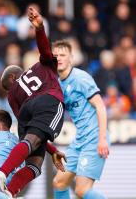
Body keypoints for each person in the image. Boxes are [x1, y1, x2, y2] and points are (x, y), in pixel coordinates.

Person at [0, 6, 65, 198]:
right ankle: (2, 173)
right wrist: (39, 28)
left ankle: (10, 191)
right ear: (15, 75)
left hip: (27, 113)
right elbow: (45, 49)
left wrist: (52, 150)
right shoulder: (40, 66)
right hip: (48, 101)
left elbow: (32, 131)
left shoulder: (11, 96)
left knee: (35, 162)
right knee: (34, 163)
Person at [52, 40, 110, 199]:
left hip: (94, 138)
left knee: (81, 191)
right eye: (55, 55)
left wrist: (102, 138)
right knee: (59, 182)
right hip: (79, 140)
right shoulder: (57, 85)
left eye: (63, 55)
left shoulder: (81, 78)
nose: (59, 58)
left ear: (71, 58)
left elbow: (100, 106)